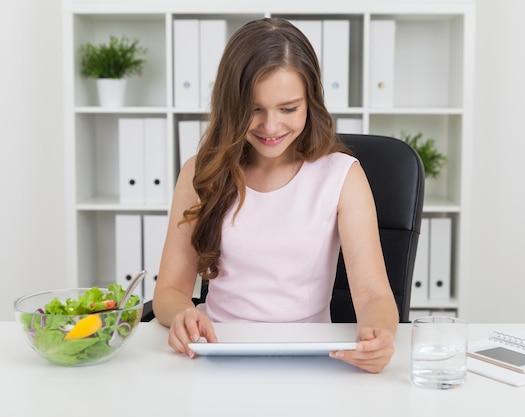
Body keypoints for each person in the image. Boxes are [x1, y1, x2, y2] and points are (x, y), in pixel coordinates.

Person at [153, 17, 398, 373]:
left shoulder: (342, 176)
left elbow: (375, 295)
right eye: (254, 110)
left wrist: (379, 336)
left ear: (311, 102)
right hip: (216, 353)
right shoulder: (199, 173)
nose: (270, 126)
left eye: (288, 109)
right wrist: (182, 315)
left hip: (311, 361)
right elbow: (168, 292)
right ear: (231, 106)